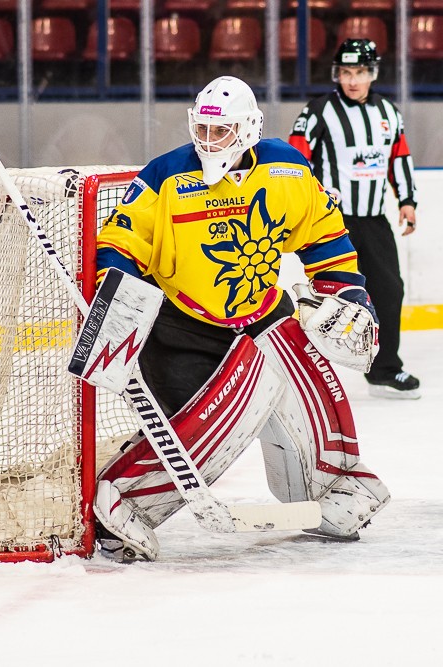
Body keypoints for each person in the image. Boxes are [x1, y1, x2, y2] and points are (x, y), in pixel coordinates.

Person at [91, 75, 390, 561]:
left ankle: (331, 489)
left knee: (315, 399)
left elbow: (323, 232)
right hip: (182, 324)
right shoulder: (166, 175)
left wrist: (348, 293)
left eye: (221, 131)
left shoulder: (286, 169)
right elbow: (121, 240)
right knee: (203, 433)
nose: (209, 141)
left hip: (263, 312)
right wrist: (116, 296)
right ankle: (122, 505)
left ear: (249, 129)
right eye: (202, 130)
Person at [288, 39, 421, 400]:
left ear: (372, 73)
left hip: (374, 219)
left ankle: (385, 371)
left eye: (359, 72)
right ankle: (310, 376)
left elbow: (399, 158)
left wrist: (407, 200)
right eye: (345, 72)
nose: (352, 80)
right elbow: (296, 160)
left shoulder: (389, 112)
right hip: (333, 222)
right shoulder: (318, 111)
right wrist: (312, 198)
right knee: (326, 299)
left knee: (390, 291)